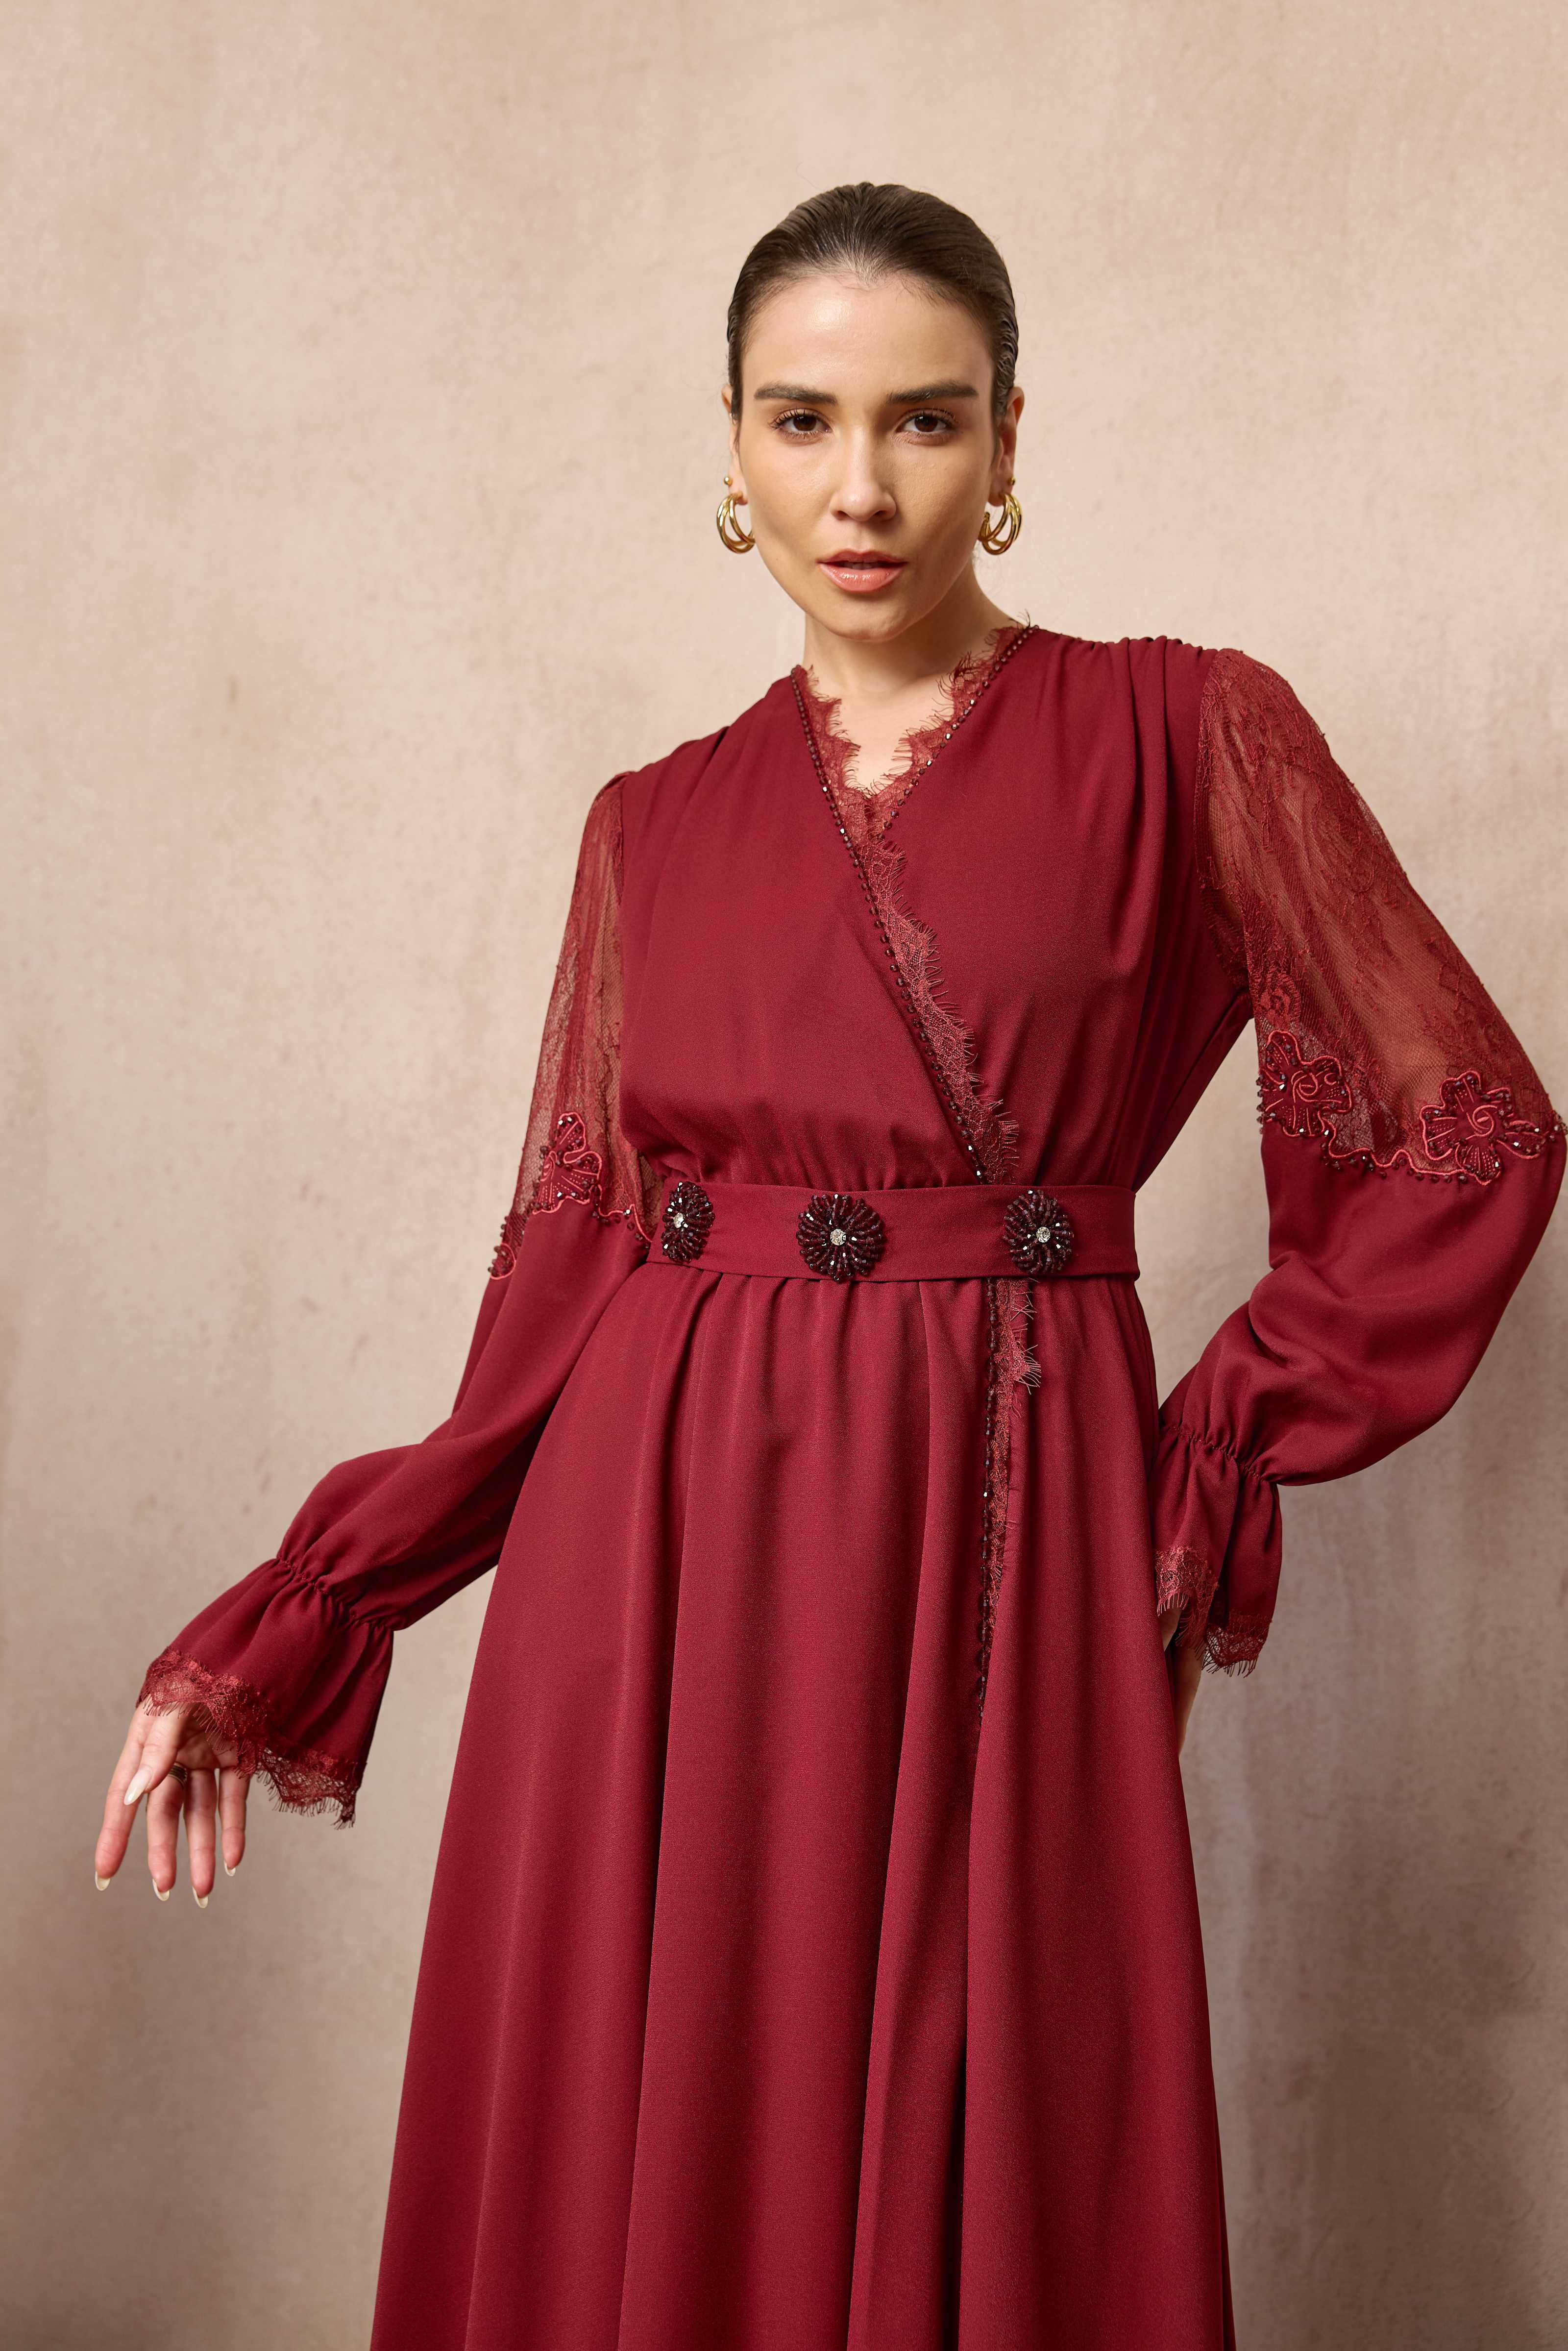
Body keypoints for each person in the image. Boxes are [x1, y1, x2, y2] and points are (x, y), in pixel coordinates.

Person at [94, 182, 1563, 2350]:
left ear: (1008, 437)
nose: (859, 489)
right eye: (801, 420)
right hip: (650, 1558)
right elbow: (559, 1295)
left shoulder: (1185, 734)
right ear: (730, 444)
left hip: (997, 1514)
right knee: (647, 2114)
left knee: (996, 2118)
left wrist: (1213, 1459)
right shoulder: (648, 823)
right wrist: (304, 1613)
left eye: (922, 420)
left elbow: (1466, 1129)